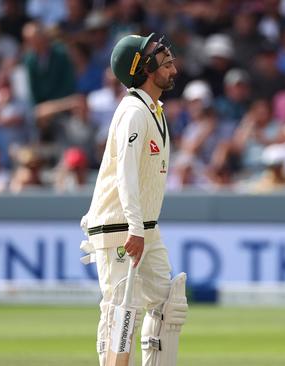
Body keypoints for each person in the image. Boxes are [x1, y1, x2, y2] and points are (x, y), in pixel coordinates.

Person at [80, 33, 187, 366]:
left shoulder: (154, 108)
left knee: (169, 303)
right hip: (121, 226)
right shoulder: (133, 112)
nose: (168, 57)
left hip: (144, 227)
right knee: (120, 313)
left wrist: (143, 228)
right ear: (141, 68)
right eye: (158, 54)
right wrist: (135, 228)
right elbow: (124, 172)